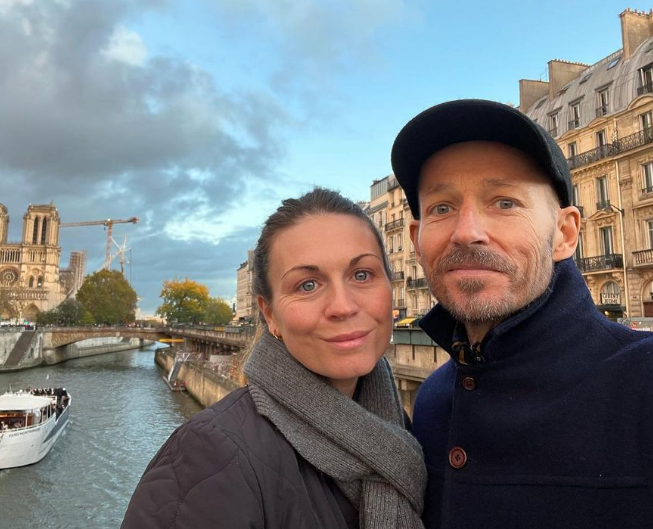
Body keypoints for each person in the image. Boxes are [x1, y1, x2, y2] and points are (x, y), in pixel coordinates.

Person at [390, 99, 653, 528]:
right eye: (441, 207)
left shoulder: (643, 381)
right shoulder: (436, 399)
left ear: (564, 234)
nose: (467, 232)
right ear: (417, 239)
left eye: (505, 202)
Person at [121, 188, 426, 529]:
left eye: (362, 275)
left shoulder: (395, 425)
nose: (343, 305)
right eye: (308, 285)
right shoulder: (209, 457)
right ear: (269, 314)